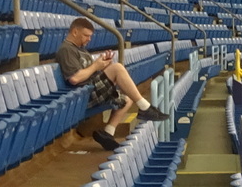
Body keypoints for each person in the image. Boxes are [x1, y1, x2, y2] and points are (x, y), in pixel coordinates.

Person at [56, 17, 169, 150]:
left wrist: (102, 64)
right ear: (75, 32)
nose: (89, 39)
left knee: (126, 100)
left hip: (90, 88)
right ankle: (145, 108)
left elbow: (88, 70)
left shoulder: (81, 49)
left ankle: (107, 133)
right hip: (83, 94)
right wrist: (96, 66)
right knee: (118, 68)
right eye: (86, 36)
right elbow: (74, 78)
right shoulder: (66, 49)